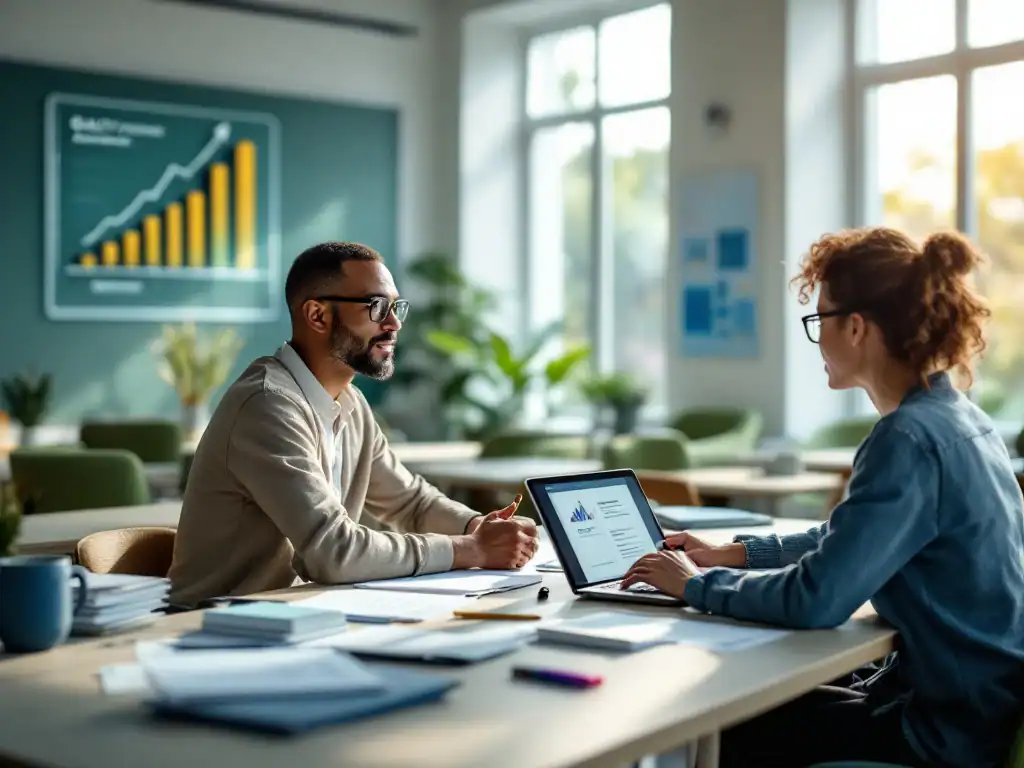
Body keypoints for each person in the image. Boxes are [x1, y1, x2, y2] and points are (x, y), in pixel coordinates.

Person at [622, 227, 1024, 768]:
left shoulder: (906, 438)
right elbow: (853, 540)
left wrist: (696, 584)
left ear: (856, 327)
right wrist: (733, 553)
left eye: (819, 320)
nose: (817, 338)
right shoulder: (963, 420)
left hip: (943, 733)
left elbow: (816, 599)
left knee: (724, 729)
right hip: (978, 707)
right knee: (757, 710)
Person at [168, 242, 539, 608]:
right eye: (377, 306)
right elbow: (335, 551)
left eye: (396, 308)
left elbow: (410, 502)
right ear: (317, 315)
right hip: (213, 629)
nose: (394, 324)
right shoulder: (268, 405)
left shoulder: (350, 403)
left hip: (300, 613)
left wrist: (476, 527)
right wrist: (470, 549)